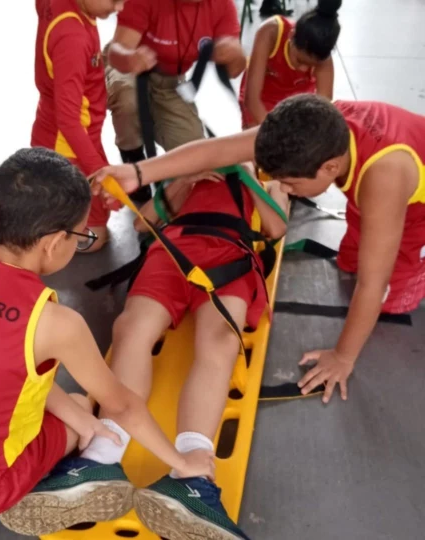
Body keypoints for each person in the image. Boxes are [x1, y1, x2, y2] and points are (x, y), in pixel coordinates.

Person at [0, 148, 214, 535]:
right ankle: (52, 480)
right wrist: (183, 461)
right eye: (81, 235)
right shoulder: (56, 323)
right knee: (75, 401)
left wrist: (88, 424)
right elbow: (121, 404)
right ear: (55, 243)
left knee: (64, 406)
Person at [95, 94, 425, 406]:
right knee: (353, 257)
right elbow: (217, 151)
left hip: (409, 196)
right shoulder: (314, 129)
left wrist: (342, 357)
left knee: (392, 294)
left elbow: (374, 284)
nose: (284, 189)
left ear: (330, 168)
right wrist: (137, 172)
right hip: (382, 179)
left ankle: (415, 272)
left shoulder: (384, 179)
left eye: (292, 184)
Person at [98, 165, 288, 540]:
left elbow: (277, 228)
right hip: (173, 248)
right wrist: (185, 179)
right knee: (132, 328)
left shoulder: (271, 185)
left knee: (219, 341)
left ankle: (193, 471)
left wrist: (247, 177)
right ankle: (102, 453)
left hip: (230, 252)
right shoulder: (186, 176)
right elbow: (142, 224)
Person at [105, 0, 244, 200]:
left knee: (197, 162)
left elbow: (234, 71)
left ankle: (154, 133)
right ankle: (131, 153)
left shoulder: (222, 5)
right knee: (127, 98)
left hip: (171, 81)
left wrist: (233, 54)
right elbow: (116, 51)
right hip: (128, 69)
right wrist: (130, 58)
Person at [32, 0, 127, 252]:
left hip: (60, 132)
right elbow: (68, 121)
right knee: (95, 236)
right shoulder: (72, 38)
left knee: (95, 223)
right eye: (114, 0)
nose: (119, 8)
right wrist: (101, 172)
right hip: (67, 146)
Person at [239, 0, 341, 128]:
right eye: (299, 61)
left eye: (311, 66)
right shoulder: (270, 33)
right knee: (257, 142)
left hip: (297, 101)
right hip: (262, 97)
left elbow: (323, 111)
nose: (303, 69)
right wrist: (276, 135)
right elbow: (252, 100)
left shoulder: (322, 56)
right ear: (291, 35)